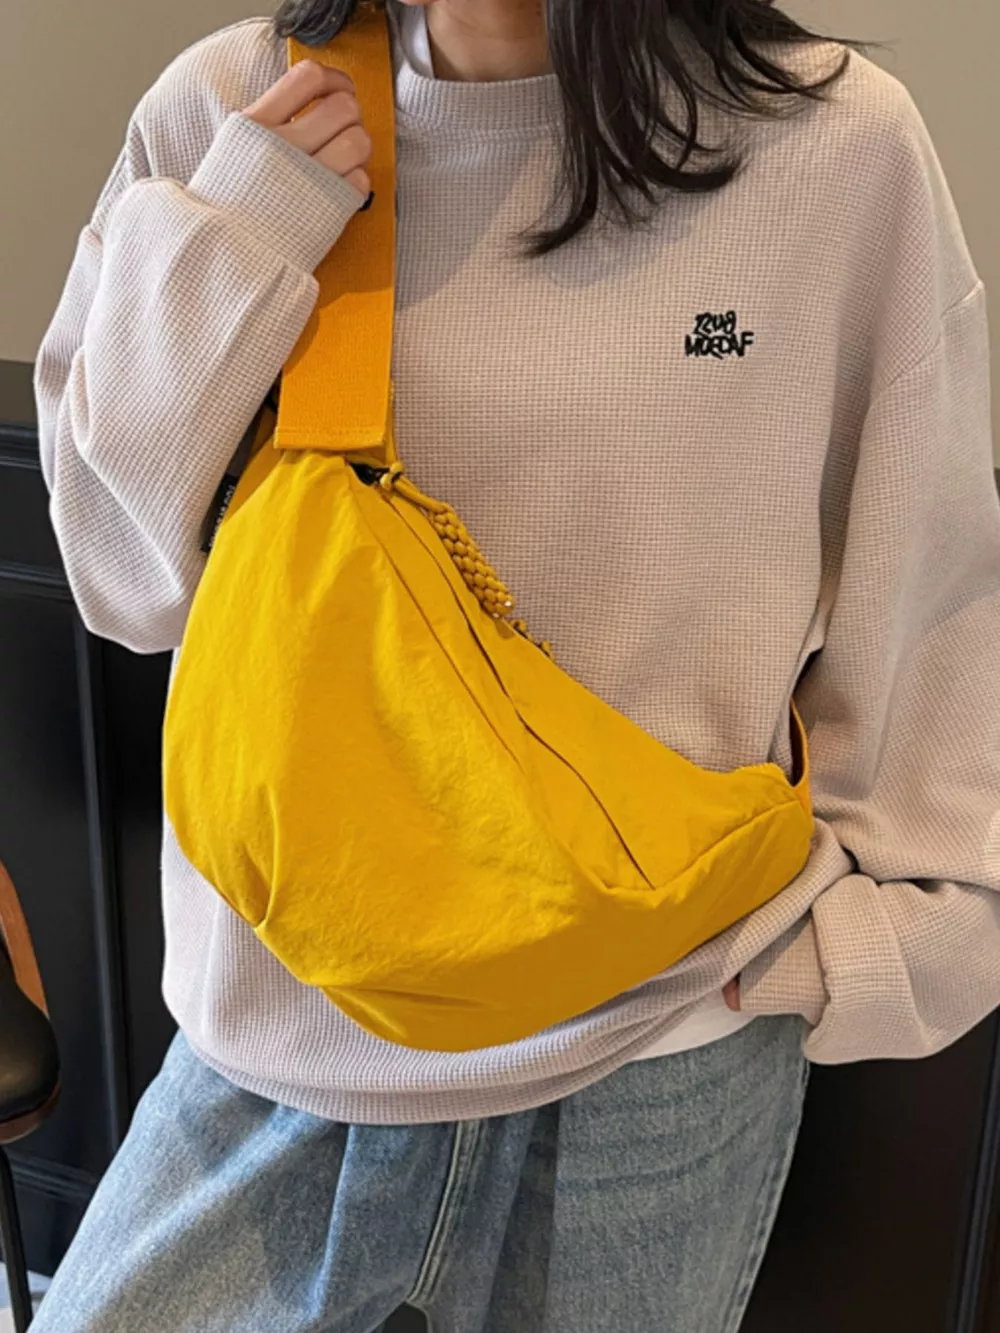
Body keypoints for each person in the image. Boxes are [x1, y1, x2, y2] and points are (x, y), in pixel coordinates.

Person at [28, 0, 1000, 1328]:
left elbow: (931, 591)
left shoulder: (833, 147)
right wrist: (242, 232)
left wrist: (894, 949)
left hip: (654, 1060)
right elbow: (118, 582)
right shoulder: (230, 107)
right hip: (286, 1045)